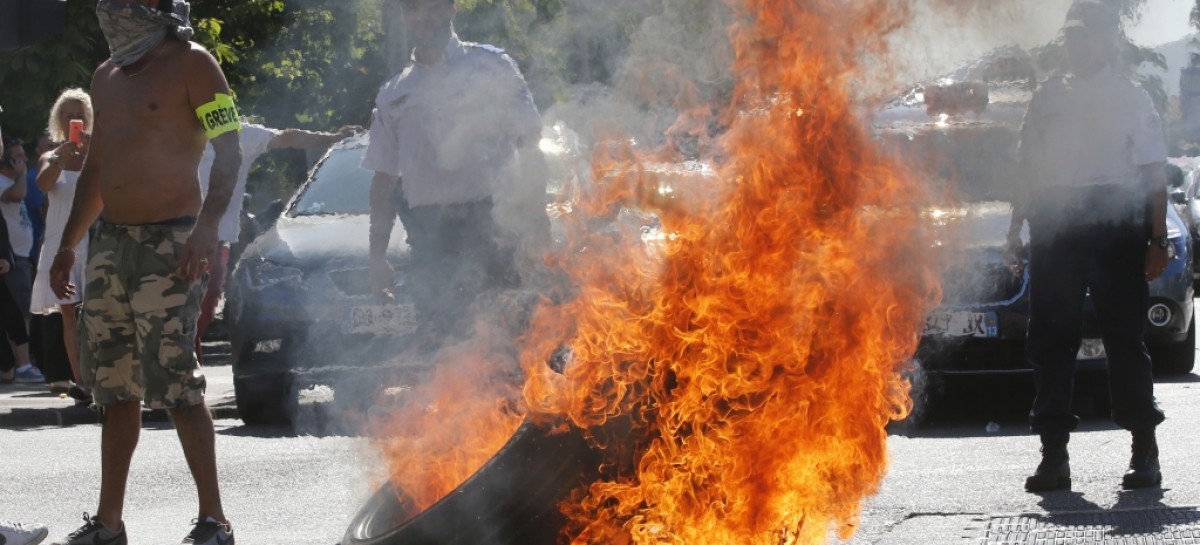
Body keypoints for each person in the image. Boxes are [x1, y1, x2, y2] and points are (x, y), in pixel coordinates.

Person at [46, 1, 241, 544]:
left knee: (178, 383)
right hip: (111, 244)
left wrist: (206, 229)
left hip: (173, 243)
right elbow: (99, 169)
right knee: (113, 389)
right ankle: (109, 524)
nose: (106, 9)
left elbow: (230, 152)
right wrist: (70, 245)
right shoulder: (105, 76)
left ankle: (214, 520)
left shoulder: (195, 64)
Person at [1007, 0, 1169, 492]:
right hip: (1056, 226)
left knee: (1125, 340)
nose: (1077, 46)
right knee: (1051, 342)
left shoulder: (1132, 98)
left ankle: (1145, 451)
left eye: (1086, 36)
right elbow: (1027, 170)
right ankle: (1053, 457)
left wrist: (1157, 239)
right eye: (1071, 36)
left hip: (1114, 228)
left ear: (1107, 42)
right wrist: (1015, 229)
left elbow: (1154, 176)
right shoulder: (1047, 97)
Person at [363, 0, 548, 342]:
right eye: (414, 9)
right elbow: (383, 180)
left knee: (510, 346)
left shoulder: (490, 66)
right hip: (431, 243)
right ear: (405, 16)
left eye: (433, 7)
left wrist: (536, 221)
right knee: (446, 354)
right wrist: (377, 258)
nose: (424, 17)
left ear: (451, 8)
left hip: (495, 231)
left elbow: (530, 145)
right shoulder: (393, 93)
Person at [193, 121, 359, 361]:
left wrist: (332, 138)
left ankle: (185, 387)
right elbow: (288, 136)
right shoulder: (178, 131)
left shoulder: (239, 134)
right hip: (179, 237)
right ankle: (181, 386)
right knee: (184, 320)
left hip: (208, 241)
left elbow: (288, 136)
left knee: (197, 319)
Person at [31, 88, 94, 406]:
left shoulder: (98, 153)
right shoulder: (51, 155)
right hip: (60, 244)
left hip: (94, 242)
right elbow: (42, 184)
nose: (75, 119)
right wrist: (61, 157)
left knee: (101, 312)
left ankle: (105, 376)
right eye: (69, 114)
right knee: (69, 315)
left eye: (80, 114)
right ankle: (81, 382)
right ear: (60, 119)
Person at [0, 137, 40, 385]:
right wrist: (24, 174)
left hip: (20, 256)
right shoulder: (7, 182)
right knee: (18, 311)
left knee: (20, 310)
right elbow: (17, 195)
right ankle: (22, 364)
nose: (24, 161)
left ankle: (17, 364)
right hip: (12, 259)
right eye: (19, 158)